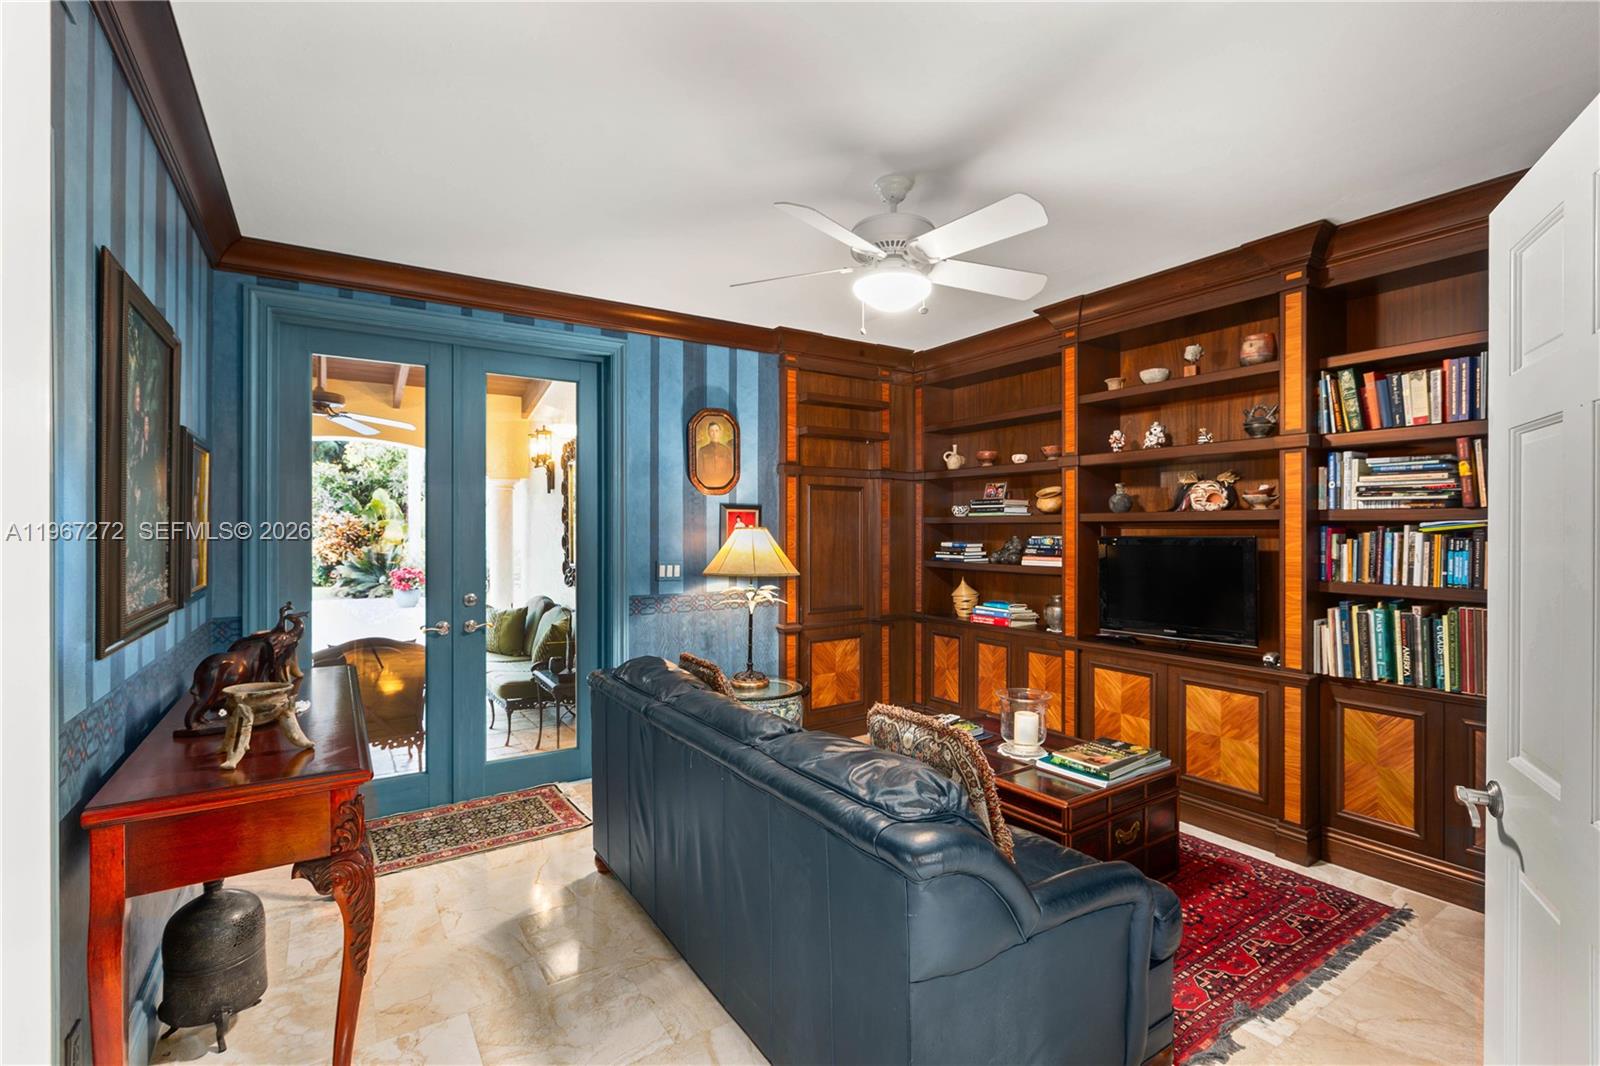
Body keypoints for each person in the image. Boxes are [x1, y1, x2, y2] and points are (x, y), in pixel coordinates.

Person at [697, 419, 734, 489]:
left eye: (716, 431)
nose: (714, 433)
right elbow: (700, 471)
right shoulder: (702, 450)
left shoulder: (726, 450)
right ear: (708, 433)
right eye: (711, 431)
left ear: (720, 432)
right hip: (707, 482)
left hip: (723, 482)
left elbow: (730, 471)